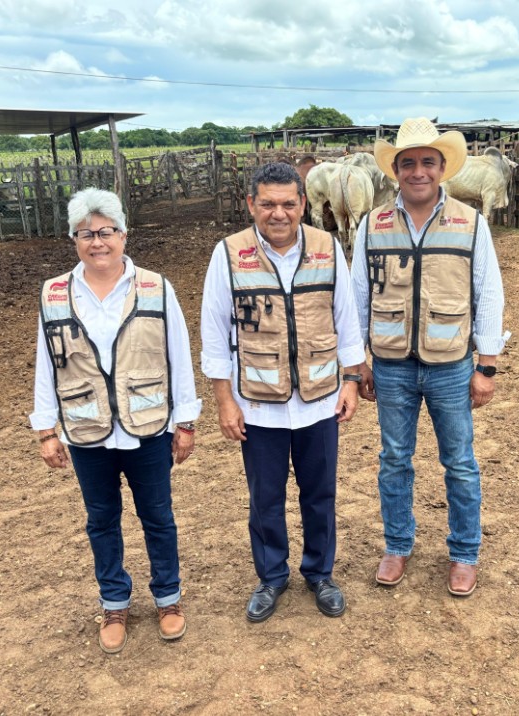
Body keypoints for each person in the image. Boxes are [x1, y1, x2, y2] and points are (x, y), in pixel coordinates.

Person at [30, 187, 201, 653]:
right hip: (86, 433)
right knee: (101, 521)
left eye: (106, 231)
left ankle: (168, 598)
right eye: (86, 233)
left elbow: (179, 356)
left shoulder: (155, 286)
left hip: (147, 428)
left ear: (124, 235)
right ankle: (114, 602)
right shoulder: (54, 293)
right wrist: (46, 430)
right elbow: (47, 363)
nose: (97, 241)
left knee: (158, 517)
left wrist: (185, 421)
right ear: (74, 239)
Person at [351, 117, 510, 597]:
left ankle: (464, 553)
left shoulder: (470, 222)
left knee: (459, 462)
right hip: (392, 365)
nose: (418, 171)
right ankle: (397, 545)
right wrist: (358, 361)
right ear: (395, 170)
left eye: (427, 162)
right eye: (408, 163)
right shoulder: (372, 224)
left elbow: (489, 293)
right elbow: (357, 295)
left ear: (442, 169)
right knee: (394, 459)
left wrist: (486, 365)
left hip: (451, 364)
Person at [201, 162, 366, 622]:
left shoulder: (327, 247)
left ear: (303, 205)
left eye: (288, 204)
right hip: (257, 402)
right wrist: (223, 399)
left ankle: (320, 572)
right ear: (251, 204)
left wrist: (351, 380)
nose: (279, 213)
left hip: (319, 399)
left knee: (320, 494)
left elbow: (346, 317)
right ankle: (272, 575)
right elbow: (214, 328)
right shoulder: (229, 254)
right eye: (268, 204)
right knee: (265, 497)